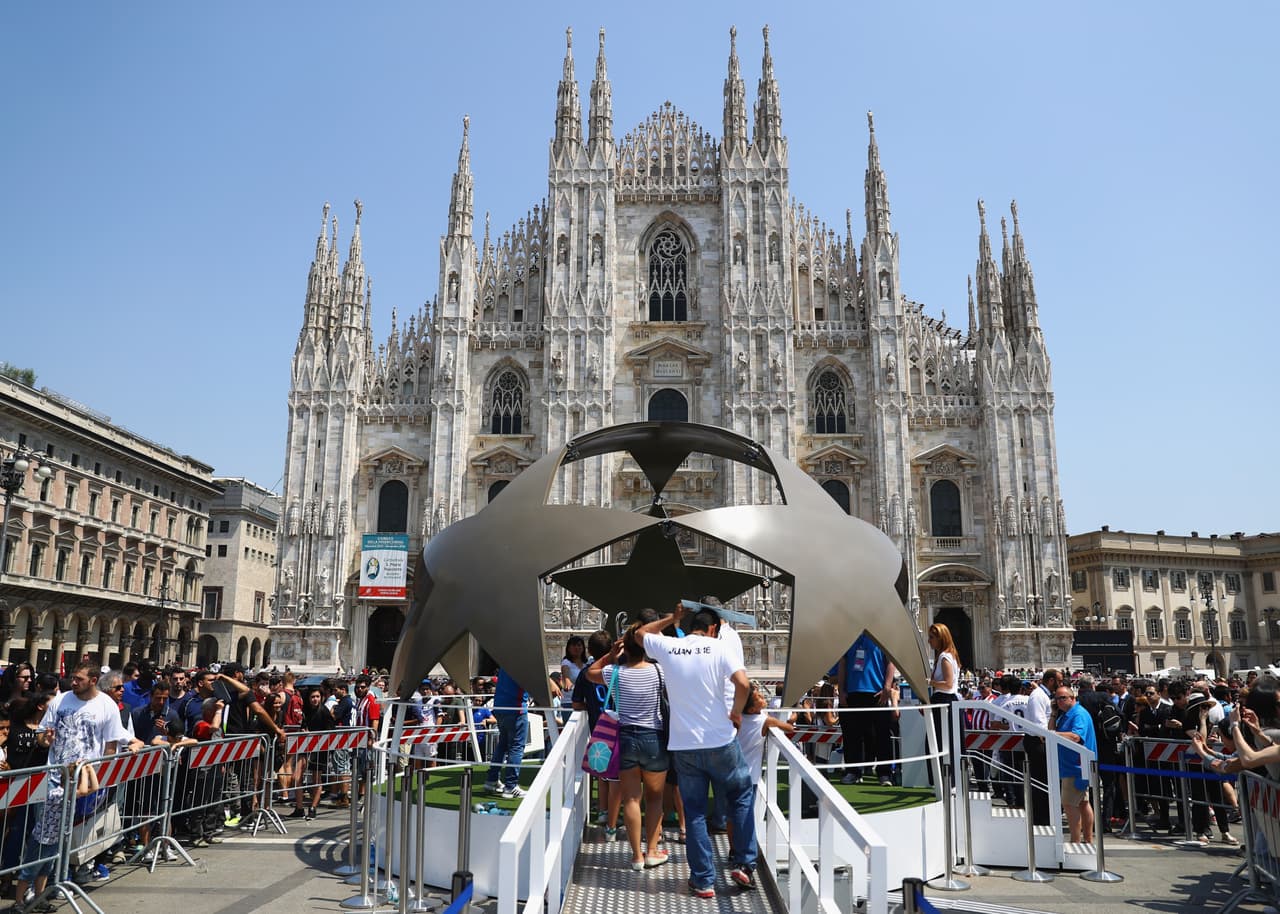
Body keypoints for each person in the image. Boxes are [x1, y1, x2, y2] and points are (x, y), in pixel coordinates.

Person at [637, 602, 755, 898]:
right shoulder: (720, 648)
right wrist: (737, 712)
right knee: (740, 796)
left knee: (696, 812)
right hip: (720, 740)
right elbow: (743, 683)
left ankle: (703, 880)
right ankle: (743, 863)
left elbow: (640, 633)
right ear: (713, 629)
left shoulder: (670, 647)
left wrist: (670, 618)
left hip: (684, 744)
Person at [14, 664, 141, 910]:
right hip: (55, 780)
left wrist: (99, 780)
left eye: (78, 679)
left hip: (83, 781)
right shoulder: (60, 702)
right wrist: (45, 740)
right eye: (72, 678)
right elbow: (42, 735)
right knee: (43, 840)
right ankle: (24, 896)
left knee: (58, 842)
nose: (73, 682)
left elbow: (111, 745)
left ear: (93, 680)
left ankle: (41, 894)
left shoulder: (107, 706)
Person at [586, 623, 669, 871]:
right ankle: (652, 851)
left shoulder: (614, 672)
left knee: (631, 798)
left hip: (626, 737)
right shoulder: (659, 671)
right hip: (653, 736)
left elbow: (591, 672)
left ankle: (636, 856)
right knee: (655, 799)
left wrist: (611, 654)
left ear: (625, 649)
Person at [832, 633, 897, 786]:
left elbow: (891, 662)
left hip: (876, 693)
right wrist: (841, 691)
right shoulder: (848, 635)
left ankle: (884, 773)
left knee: (881, 735)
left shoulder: (881, 635)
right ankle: (853, 772)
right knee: (851, 736)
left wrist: (887, 686)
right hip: (852, 692)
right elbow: (842, 663)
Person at [1050, 685, 1096, 843]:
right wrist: (1053, 714)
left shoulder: (1078, 714)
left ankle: (1075, 842)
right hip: (1071, 765)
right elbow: (1051, 730)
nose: (1059, 701)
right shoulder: (1064, 714)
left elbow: (1076, 736)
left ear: (1072, 698)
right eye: (1057, 698)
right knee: (1083, 803)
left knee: (1069, 805)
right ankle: (1087, 840)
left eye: (1063, 698)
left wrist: (1053, 734)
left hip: (1076, 766)